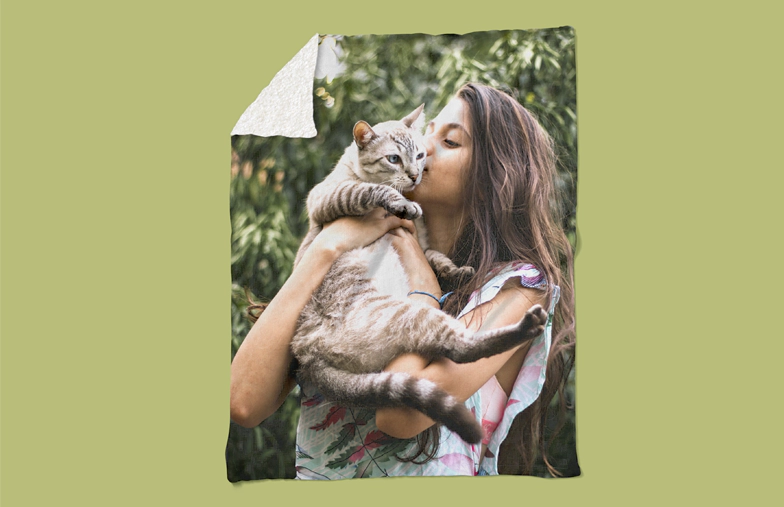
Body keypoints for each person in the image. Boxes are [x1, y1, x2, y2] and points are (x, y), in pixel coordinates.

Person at [230, 83, 576, 478]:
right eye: (427, 132)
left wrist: (423, 287)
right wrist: (324, 248)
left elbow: (399, 415)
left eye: (449, 141)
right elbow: (243, 402)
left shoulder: (519, 287)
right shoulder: (354, 255)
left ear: (490, 178)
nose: (423, 148)